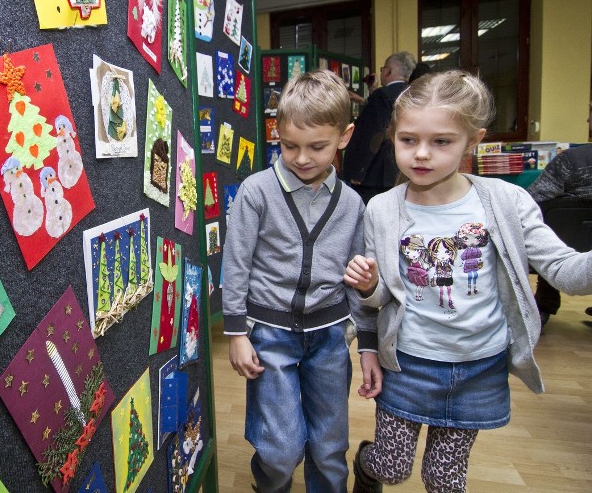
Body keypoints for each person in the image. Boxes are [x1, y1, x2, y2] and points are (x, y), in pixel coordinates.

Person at [344, 71, 592, 493]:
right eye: (408, 140)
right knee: (392, 467)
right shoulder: (381, 210)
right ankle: (367, 467)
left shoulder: (506, 203)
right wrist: (368, 288)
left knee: (445, 480)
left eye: (441, 142)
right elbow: (381, 298)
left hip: (479, 368)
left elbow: (567, 272)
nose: (421, 154)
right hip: (407, 365)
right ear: (393, 137)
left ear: (472, 141)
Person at [223, 70, 381, 493]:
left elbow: (357, 281)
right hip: (269, 338)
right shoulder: (255, 193)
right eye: (289, 145)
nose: (302, 158)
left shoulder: (352, 205)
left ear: (344, 137)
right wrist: (237, 333)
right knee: (280, 450)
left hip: (329, 340)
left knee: (330, 449)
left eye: (318, 147)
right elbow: (235, 265)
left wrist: (366, 342)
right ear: (277, 132)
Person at [527, 104, 592, 324]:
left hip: (567, 243)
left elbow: (533, 199)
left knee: (551, 227)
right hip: (571, 261)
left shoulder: (571, 161)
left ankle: (544, 305)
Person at [342, 52, 416, 204]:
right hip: (400, 170)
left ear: (388, 71)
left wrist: (359, 171)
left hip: (375, 173)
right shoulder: (413, 93)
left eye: (383, 69)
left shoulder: (382, 96)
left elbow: (374, 134)